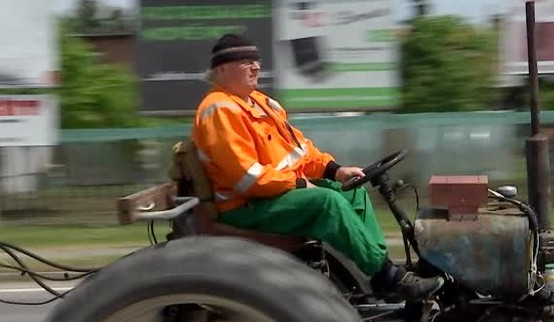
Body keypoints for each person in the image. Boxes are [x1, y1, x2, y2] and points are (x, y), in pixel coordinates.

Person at [190, 33, 444, 300]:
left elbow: (300, 151)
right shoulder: (219, 110)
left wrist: (335, 170)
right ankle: (388, 276)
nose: (256, 67)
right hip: (245, 206)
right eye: (245, 62)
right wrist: (298, 184)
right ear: (221, 69)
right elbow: (246, 178)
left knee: (353, 191)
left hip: (272, 195)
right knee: (326, 203)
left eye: (256, 60)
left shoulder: (261, 103)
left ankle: (382, 271)